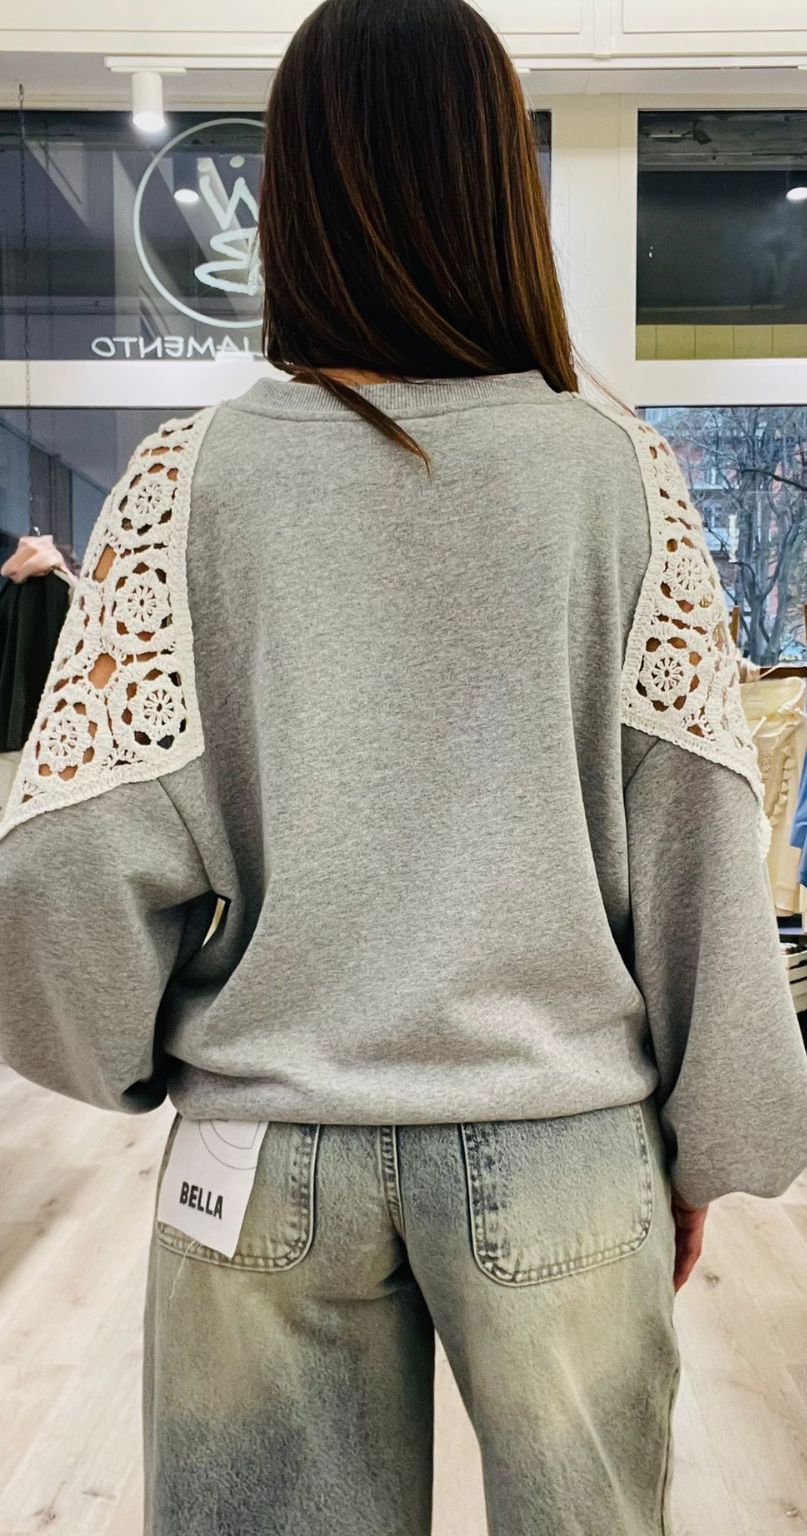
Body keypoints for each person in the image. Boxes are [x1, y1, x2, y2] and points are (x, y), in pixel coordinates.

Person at [1, 2, 806, 1533]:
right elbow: (701, 832)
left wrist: (137, 1052)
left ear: (292, 198)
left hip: (265, 1147)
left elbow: (64, 863)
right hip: (562, 1141)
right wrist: (714, 1148)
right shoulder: (617, 472)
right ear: (503, 186)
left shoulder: (189, 483)